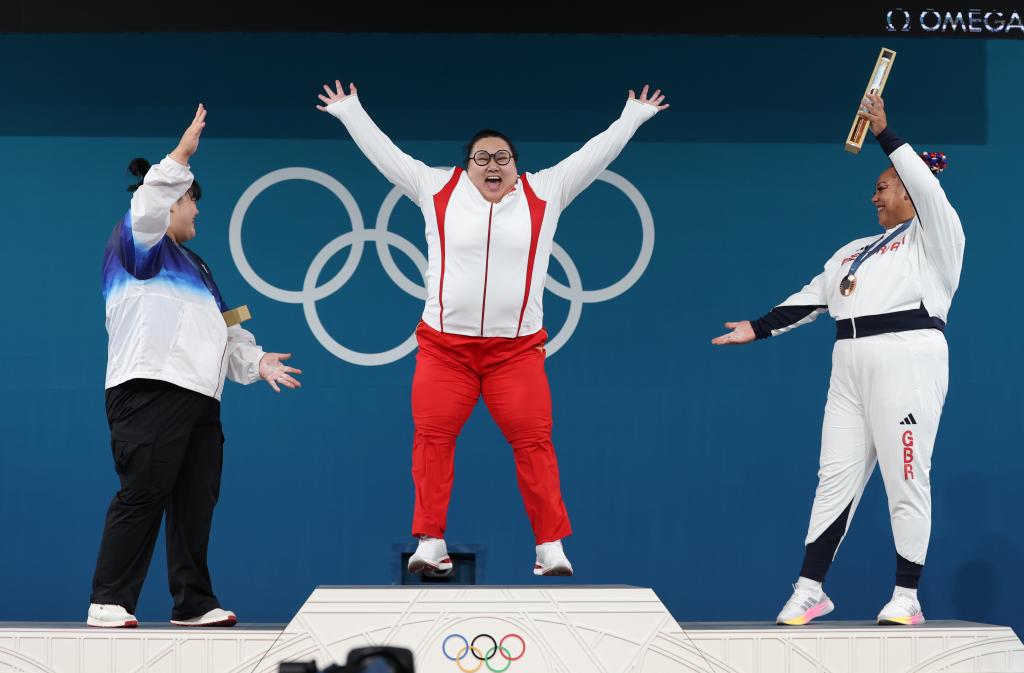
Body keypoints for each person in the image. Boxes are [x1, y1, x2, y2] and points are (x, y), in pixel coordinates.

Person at [317, 81, 668, 576]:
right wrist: (349, 110)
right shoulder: (435, 188)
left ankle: (549, 546)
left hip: (515, 353)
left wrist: (632, 115)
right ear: (466, 166)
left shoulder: (545, 191)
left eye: (502, 158)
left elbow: (594, 156)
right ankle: (431, 541)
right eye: (481, 158)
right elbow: (385, 154)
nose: (492, 166)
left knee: (535, 443)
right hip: (445, 351)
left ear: (516, 166)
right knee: (432, 440)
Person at [712, 93, 963, 625]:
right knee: (834, 479)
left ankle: (907, 597)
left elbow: (926, 186)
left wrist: (885, 134)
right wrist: (758, 327)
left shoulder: (937, 237)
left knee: (906, 477)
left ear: (910, 190)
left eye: (883, 187)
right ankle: (810, 590)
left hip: (908, 358)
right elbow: (813, 297)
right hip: (848, 365)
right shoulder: (853, 249)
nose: (874, 197)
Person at [88, 104, 302, 627]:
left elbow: (228, 328)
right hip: (150, 388)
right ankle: (108, 601)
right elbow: (149, 202)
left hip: (201, 399)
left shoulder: (199, 266)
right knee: (144, 493)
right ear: (172, 201)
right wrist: (181, 155)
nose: (197, 213)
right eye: (192, 202)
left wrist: (257, 361)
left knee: (194, 503)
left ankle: (193, 603)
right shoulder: (139, 243)